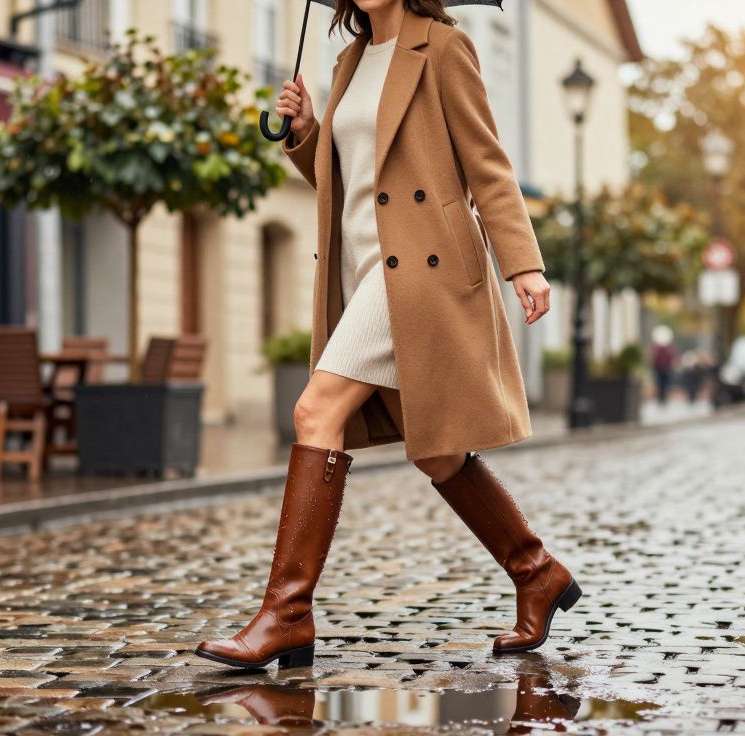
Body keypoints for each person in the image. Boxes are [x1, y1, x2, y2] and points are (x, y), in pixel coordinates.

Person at [196, 0, 581, 670]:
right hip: (364, 268)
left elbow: (487, 163)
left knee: (315, 410)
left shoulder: (443, 47)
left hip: (420, 275)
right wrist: (307, 133)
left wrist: (524, 262)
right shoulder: (347, 62)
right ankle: (536, 571)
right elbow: (347, 184)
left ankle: (286, 615)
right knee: (435, 455)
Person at [650, 325, 677, 406]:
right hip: (662, 368)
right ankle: (662, 397)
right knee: (662, 384)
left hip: (663, 368)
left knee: (662, 383)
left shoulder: (659, 348)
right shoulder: (661, 348)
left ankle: (662, 398)